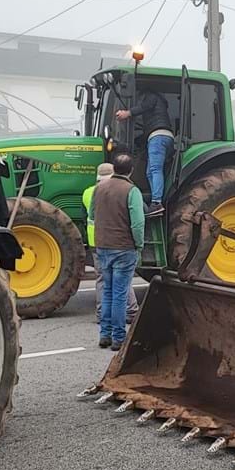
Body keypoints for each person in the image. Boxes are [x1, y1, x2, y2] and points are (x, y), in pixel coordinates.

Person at [89, 154, 145, 351]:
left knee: (108, 291)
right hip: (124, 248)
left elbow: (92, 215)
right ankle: (118, 338)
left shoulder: (99, 189)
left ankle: (105, 335)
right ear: (130, 171)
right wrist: (139, 244)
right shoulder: (132, 191)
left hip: (102, 246)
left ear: (114, 168)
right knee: (120, 294)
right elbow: (138, 222)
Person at [83, 162, 138, 325]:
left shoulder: (88, 192)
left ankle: (102, 314)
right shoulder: (123, 190)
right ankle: (131, 311)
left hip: (96, 242)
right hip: (117, 240)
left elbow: (87, 215)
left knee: (102, 278)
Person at [115, 88, 172, 214]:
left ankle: (157, 202)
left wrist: (127, 113)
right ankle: (155, 198)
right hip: (165, 136)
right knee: (149, 172)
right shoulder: (161, 104)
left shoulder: (152, 95)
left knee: (155, 169)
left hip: (158, 137)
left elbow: (144, 106)